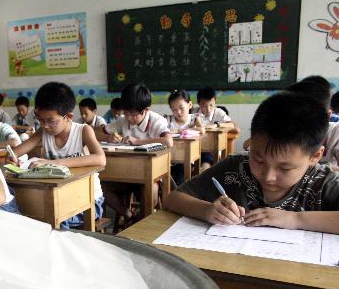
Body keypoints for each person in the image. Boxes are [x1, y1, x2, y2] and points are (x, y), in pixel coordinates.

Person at [165, 91, 339, 234]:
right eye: (258, 159)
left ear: (315, 156)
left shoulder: (323, 183)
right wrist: (207, 210)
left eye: (285, 168)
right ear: (251, 142)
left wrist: (294, 219)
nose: (269, 176)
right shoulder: (235, 167)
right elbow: (173, 199)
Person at [7, 82, 106, 229]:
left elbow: (100, 159)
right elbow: (16, 152)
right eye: (40, 119)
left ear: (68, 116)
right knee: (22, 213)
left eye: (50, 121)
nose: (45, 125)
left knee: (55, 222)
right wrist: (12, 158)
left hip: (88, 200)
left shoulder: (83, 131)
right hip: (56, 198)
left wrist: (56, 162)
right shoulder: (44, 132)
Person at [96, 83, 172, 227]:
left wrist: (138, 141)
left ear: (146, 110)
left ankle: (141, 223)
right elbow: (96, 132)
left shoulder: (156, 121)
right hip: (125, 174)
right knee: (99, 186)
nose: (129, 118)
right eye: (126, 113)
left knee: (153, 190)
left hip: (150, 175)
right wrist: (108, 137)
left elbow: (168, 141)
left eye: (133, 114)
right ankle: (129, 215)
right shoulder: (122, 120)